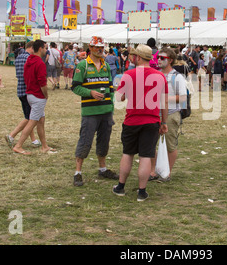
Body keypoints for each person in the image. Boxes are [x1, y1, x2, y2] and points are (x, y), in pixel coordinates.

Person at [112, 44, 169, 202]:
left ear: (137, 57)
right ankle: (141, 192)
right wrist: (164, 122)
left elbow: (119, 98)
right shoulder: (160, 76)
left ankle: (121, 187)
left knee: (127, 154)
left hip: (132, 120)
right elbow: (164, 103)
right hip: (151, 121)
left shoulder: (129, 74)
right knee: (146, 156)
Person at [71, 36, 119, 187]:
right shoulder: (83, 65)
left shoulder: (105, 66)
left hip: (106, 110)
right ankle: (78, 172)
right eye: (97, 47)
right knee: (85, 140)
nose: (100, 50)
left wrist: (111, 107)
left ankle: (102, 168)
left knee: (104, 140)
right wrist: (90, 93)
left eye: (102, 47)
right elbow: (75, 87)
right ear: (90, 48)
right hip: (90, 111)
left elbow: (110, 87)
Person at [149, 47, 187, 182]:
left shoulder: (177, 77)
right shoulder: (155, 74)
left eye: (162, 58)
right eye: (158, 57)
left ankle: (167, 173)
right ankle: (153, 171)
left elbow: (182, 98)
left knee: (170, 145)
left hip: (171, 114)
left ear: (170, 60)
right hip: (155, 114)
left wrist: (164, 98)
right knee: (151, 144)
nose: (158, 60)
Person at [12, 40, 56, 155]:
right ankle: (18, 145)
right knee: (32, 122)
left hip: (30, 94)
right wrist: (46, 95)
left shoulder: (29, 61)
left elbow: (26, 77)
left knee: (40, 120)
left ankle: (44, 146)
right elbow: (42, 82)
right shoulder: (39, 63)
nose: (46, 51)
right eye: (45, 48)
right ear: (40, 48)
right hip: (38, 96)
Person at [5, 41, 41, 149]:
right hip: (28, 91)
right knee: (30, 118)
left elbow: (18, 75)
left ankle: (34, 140)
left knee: (29, 116)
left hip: (20, 89)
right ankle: (12, 135)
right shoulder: (29, 59)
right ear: (32, 48)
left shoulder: (18, 58)